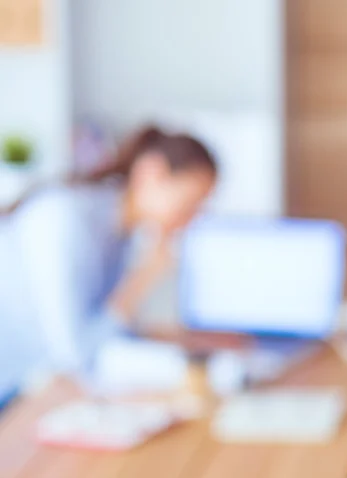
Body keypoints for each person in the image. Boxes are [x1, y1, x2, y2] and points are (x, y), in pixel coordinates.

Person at [12, 126, 217, 376]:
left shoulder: (122, 237)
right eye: (189, 204)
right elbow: (75, 359)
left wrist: (195, 342)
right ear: (152, 172)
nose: (190, 220)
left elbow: (113, 334)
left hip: (36, 389)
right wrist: (142, 278)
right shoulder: (62, 218)